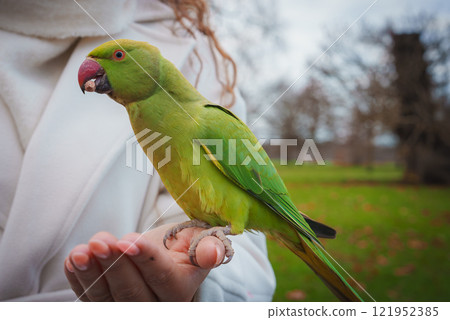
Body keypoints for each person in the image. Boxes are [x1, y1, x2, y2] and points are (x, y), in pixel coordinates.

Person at [0, 0, 276, 301]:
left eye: (118, 55)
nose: (95, 67)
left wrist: (199, 286)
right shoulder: (137, 114)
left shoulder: (198, 52)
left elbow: (249, 265)